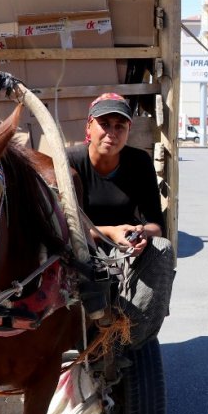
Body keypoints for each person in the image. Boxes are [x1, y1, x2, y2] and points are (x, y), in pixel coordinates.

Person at [67, 92, 174, 347]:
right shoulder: (70, 161)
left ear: (128, 130)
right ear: (89, 127)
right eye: (104, 124)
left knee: (163, 249)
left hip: (123, 249)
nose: (111, 133)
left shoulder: (139, 162)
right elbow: (64, 223)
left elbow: (156, 225)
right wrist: (110, 232)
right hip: (78, 245)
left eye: (119, 126)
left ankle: (128, 337)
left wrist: (140, 234)